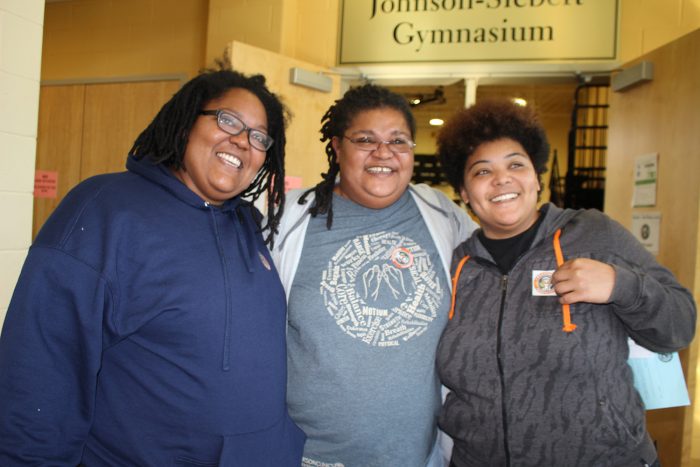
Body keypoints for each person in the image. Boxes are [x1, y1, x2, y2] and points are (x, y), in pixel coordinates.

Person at [0, 67, 305, 465]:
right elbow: (39, 369)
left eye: (259, 136)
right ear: (184, 123)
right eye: (228, 120)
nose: (243, 142)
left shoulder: (248, 225)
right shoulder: (105, 208)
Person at [435, 99, 697, 467]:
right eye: (481, 172)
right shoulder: (456, 265)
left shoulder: (592, 233)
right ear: (463, 192)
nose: (502, 179)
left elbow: (680, 325)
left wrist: (620, 286)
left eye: (515, 164)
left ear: (537, 177)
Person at [271, 84, 477, 467]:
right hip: (312, 457)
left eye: (398, 141)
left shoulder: (441, 214)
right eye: (365, 139)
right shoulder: (288, 222)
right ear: (337, 147)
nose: (383, 153)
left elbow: (500, 267)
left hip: (419, 456)